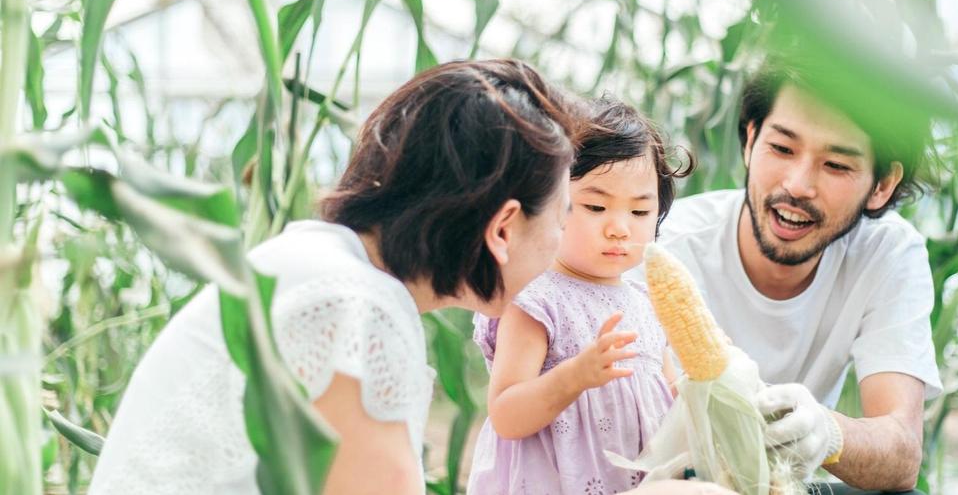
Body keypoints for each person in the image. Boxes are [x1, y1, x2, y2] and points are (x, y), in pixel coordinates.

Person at [88, 59, 729, 495]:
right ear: (504, 229)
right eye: (565, 217)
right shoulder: (352, 311)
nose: (568, 242)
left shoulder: (321, 264)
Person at [642, 60, 943, 492]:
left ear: (882, 185)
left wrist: (828, 432)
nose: (798, 185)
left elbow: (901, 454)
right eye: (782, 149)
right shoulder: (661, 244)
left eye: (836, 165)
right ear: (749, 141)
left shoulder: (889, 253)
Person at [467, 97, 695, 494]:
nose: (619, 229)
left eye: (640, 213)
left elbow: (670, 394)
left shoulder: (646, 301)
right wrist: (574, 377)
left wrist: (704, 390)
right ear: (547, 201)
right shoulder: (536, 299)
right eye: (595, 206)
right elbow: (505, 414)